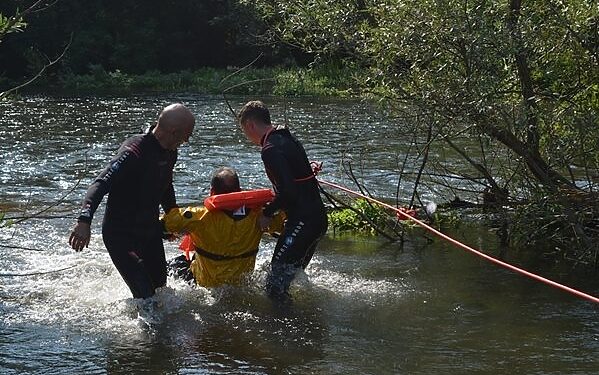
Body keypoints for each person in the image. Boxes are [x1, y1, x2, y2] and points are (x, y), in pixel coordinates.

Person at [68, 103, 195, 299]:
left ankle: (161, 328)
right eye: (187, 134)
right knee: (146, 296)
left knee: (161, 290)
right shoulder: (134, 150)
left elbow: (165, 184)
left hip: (149, 231)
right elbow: (101, 183)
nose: (187, 139)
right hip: (121, 235)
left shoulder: (170, 152)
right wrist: (84, 221)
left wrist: (173, 219)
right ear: (173, 131)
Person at [238, 100, 328, 300]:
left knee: (274, 286)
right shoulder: (286, 136)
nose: (248, 137)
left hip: (303, 222)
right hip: (317, 220)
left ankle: (286, 329)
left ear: (250, 125)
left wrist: (267, 213)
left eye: (245, 131)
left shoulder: (269, 149)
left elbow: (288, 192)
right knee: (288, 279)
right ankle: (305, 322)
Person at [162, 167, 285, 288]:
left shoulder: (199, 217)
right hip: (241, 285)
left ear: (212, 193)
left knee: (174, 264)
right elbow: (284, 225)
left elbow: (162, 224)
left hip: (205, 286)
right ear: (240, 191)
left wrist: (171, 232)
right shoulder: (261, 216)